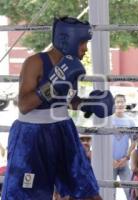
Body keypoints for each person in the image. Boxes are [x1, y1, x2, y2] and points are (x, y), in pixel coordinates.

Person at [2, 17, 115, 200]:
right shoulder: (35, 62)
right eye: (82, 43)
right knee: (27, 195)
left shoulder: (72, 66)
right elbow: (24, 105)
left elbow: (67, 99)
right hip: (32, 136)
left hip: (63, 130)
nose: (85, 49)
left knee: (86, 191)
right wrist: (52, 84)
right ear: (66, 39)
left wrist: (89, 104)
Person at [112, 94, 137, 200]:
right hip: (110, 163)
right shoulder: (108, 120)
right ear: (114, 104)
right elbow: (102, 141)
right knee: (109, 192)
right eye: (117, 102)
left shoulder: (130, 121)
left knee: (130, 191)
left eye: (122, 101)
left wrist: (126, 158)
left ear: (125, 104)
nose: (120, 104)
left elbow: (134, 141)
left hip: (124, 162)